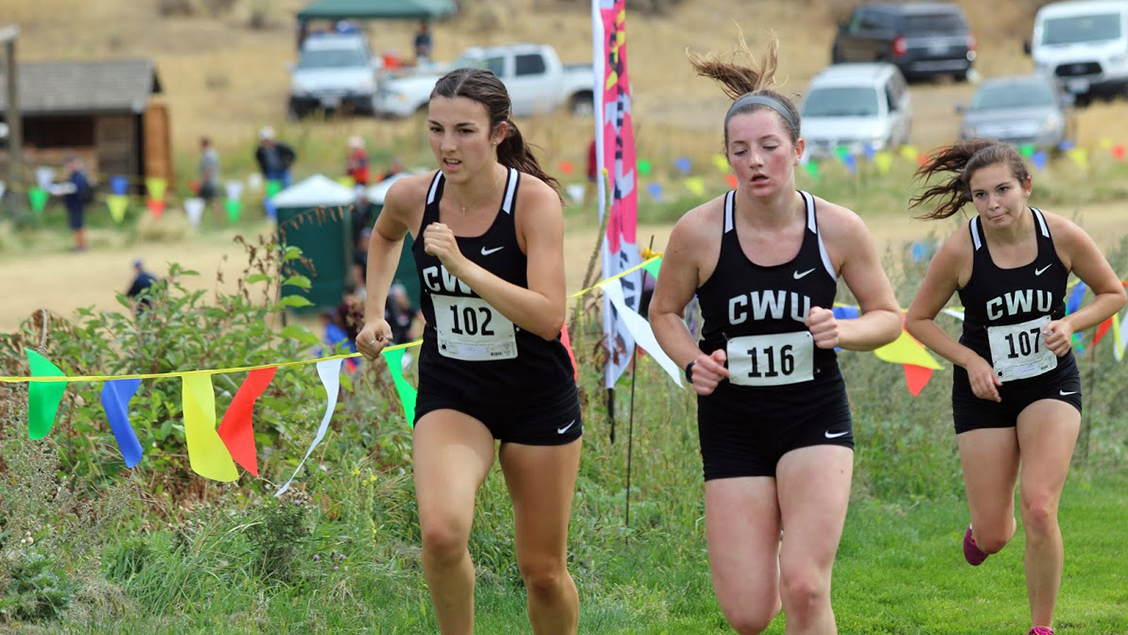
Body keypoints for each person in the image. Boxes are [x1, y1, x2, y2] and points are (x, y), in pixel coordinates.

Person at [648, 35, 902, 635]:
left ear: (798, 150)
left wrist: (843, 328)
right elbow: (664, 313)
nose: (755, 161)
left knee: (808, 586)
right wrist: (691, 361)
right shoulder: (700, 231)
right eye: (741, 151)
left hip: (812, 415)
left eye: (769, 147)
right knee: (748, 614)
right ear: (728, 159)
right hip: (733, 423)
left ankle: (804, 586)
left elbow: (888, 316)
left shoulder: (838, 228)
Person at [356, 67, 582, 634]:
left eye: (463, 131)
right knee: (440, 534)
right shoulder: (412, 196)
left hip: (535, 394)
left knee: (544, 571)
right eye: (435, 130)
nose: (446, 146)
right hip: (454, 389)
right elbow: (383, 237)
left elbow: (550, 317)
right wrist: (375, 311)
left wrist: (461, 265)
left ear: (498, 133)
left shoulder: (534, 203)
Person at [905, 139, 1126, 635]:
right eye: (980, 195)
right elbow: (918, 320)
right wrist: (970, 360)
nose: (993, 204)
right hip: (985, 392)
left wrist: (1071, 324)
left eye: (1003, 189)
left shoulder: (1061, 237)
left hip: (1051, 382)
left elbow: (1112, 293)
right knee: (995, 533)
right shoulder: (962, 249)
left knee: (1040, 505)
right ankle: (981, 534)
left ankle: (1041, 627)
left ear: (1026, 185)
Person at [63, 156, 91, 252]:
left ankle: (82, 246)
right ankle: (78, 245)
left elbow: (78, 190)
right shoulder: (73, 176)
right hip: (73, 205)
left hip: (77, 205)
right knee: (76, 226)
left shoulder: (79, 176)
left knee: (79, 226)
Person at [198, 136, 221, 221]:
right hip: (214, 181)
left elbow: (207, 170)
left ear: (204, 144)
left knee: (208, 202)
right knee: (210, 201)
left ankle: (197, 220)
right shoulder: (214, 154)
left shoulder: (208, 155)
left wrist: (201, 182)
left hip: (208, 183)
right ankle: (218, 221)